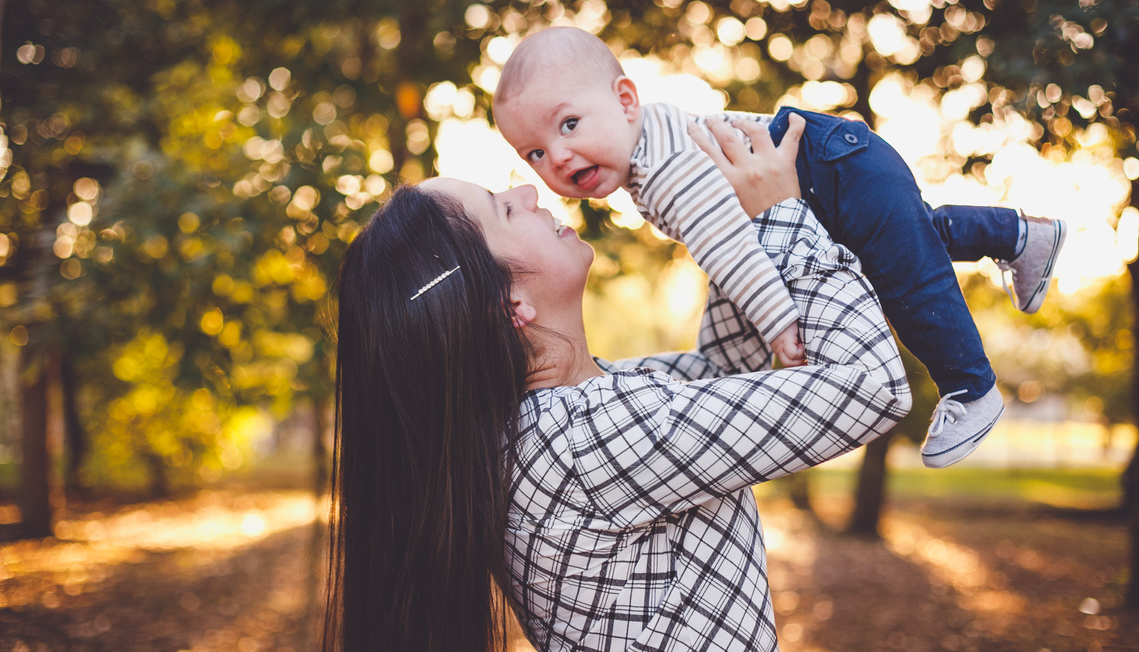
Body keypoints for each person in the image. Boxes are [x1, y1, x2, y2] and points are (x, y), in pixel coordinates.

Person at [323, 119, 910, 651]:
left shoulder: (555, 422)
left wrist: (721, 214)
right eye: (503, 210)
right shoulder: (586, 438)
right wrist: (780, 210)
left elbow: (723, 373)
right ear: (509, 305)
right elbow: (870, 386)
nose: (528, 191)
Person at [492, 26, 1068, 468]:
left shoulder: (664, 167)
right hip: (836, 163)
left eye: (568, 125)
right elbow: (730, 250)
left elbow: (728, 246)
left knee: (908, 279)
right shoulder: (650, 149)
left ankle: (971, 387)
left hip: (830, 171)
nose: (558, 158)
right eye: (535, 153)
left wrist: (777, 324)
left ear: (625, 102)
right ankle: (1021, 235)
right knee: (917, 240)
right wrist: (728, 356)